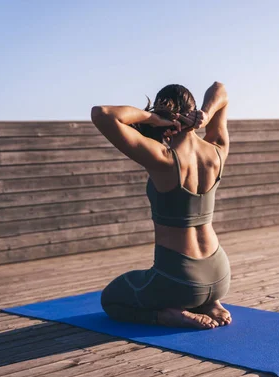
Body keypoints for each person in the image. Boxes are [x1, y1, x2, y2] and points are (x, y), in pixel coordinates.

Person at [91, 82, 231, 329]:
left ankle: (166, 315)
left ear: (166, 115)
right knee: (193, 290)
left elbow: (102, 114)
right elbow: (220, 89)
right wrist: (207, 114)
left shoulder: (162, 158)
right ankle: (211, 303)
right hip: (220, 274)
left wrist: (152, 118)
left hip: (179, 279)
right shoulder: (217, 151)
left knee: (111, 298)